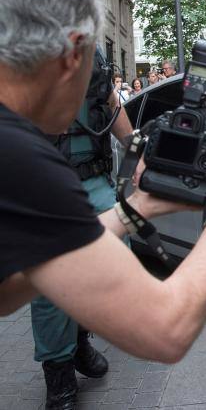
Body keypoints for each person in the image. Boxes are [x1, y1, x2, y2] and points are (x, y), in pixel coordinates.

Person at [0, 0, 206, 390]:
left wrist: (131, 211)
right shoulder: (21, 156)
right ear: (73, 53)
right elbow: (165, 328)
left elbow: (6, 290)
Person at [34, 46, 134, 409]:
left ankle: (78, 337)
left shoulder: (91, 56)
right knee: (49, 285)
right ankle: (58, 374)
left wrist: (134, 146)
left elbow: (110, 103)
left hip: (93, 182)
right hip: (43, 186)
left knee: (115, 264)